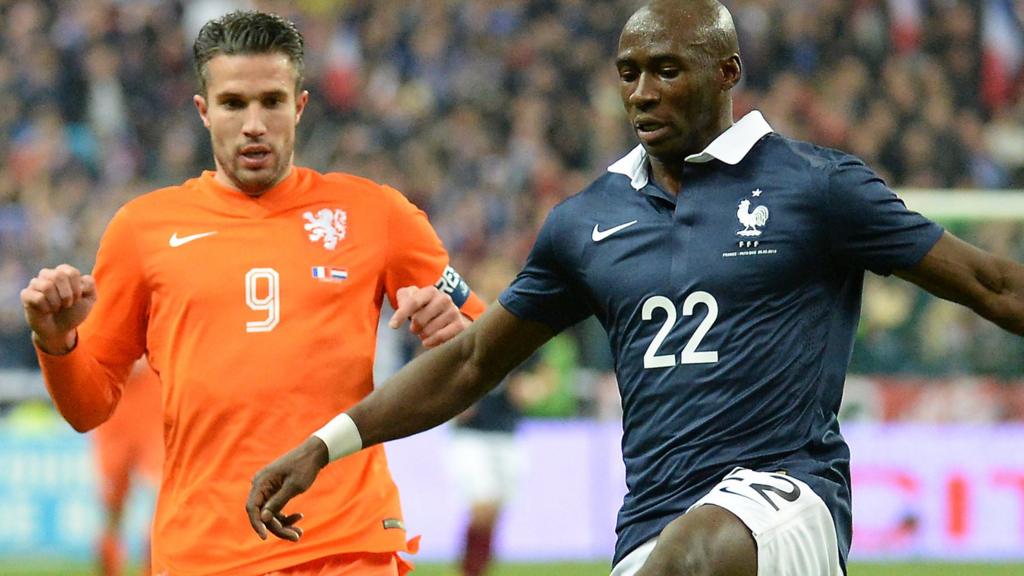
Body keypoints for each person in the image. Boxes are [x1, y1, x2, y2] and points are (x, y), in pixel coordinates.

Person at [246, 1, 1024, 575]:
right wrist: (326, 444)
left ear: (726, 74)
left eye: (666, 69)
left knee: (693, 557)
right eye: (629, 73)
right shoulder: (586, 223)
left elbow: (992, 283)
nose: (643, 91)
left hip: (787, 499)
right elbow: (473, 362)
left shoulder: (815, 187)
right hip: (648, 525)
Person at [20, 10, 484, 576]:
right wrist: (56, 340)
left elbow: (482, 350)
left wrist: (453, 330)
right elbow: (89, 408)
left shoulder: (373, 213)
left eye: (272, 101)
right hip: (202, 551)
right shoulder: (143, 230)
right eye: (234, 103)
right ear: (203, 111)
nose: (255, 123)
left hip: (345, 544)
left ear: (301, 106)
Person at [93, 357, 163, 576]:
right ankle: (110, 570)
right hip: (114, 416)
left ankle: (152, 570)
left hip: (153, 411)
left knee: (160, 499)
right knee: (113, 509)